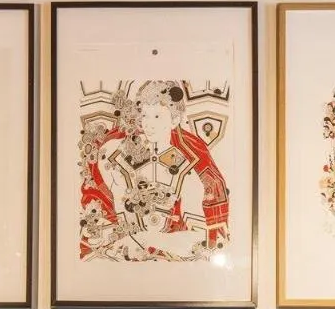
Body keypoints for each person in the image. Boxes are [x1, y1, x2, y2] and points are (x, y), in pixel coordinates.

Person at [78, 80, 230, 262]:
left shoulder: (185, 172)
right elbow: (105, 212)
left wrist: (147, 240)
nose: (148, 124)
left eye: (157, 117)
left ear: (174, 121)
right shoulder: (113, 155)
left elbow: (199, 240)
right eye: (145, 116)